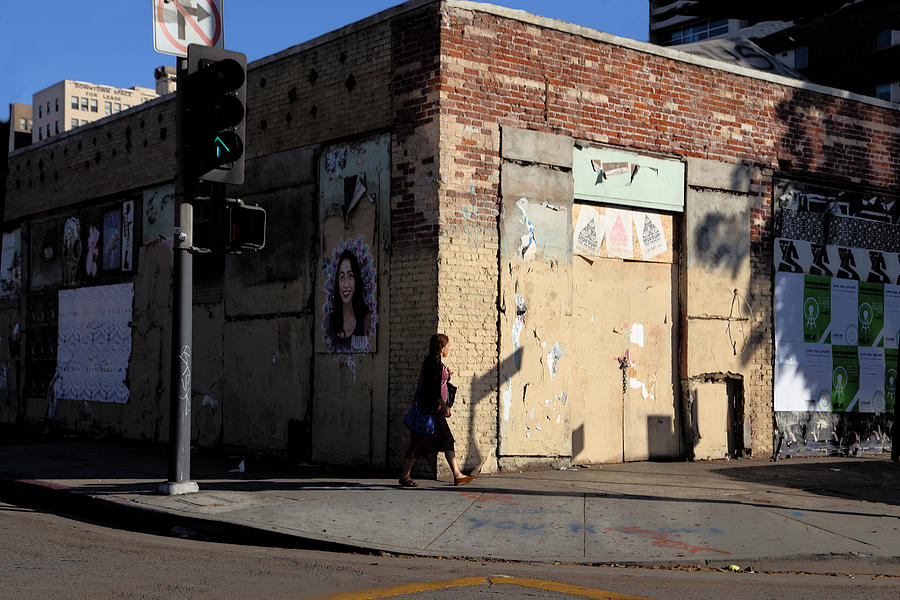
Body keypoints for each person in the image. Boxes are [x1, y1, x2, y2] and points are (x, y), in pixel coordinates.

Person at [399, 333, 476, 487]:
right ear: (441, 348)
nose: (449, 349)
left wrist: (447, 376)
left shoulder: (435, 362)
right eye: (447, 346)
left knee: (437, 440)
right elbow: (432, 389)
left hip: (432, 411)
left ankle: (456, 474)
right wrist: (444, 405)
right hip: (430, 411)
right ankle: (455, 474)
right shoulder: (433, 363)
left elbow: (436, 383)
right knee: (426, 441)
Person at [329, 249, 372, 352]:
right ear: (337, 283)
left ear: (356, 280)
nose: (346, 285)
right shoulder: (329, 321)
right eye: (342, 277)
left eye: (350, 276)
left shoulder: (366, 318)